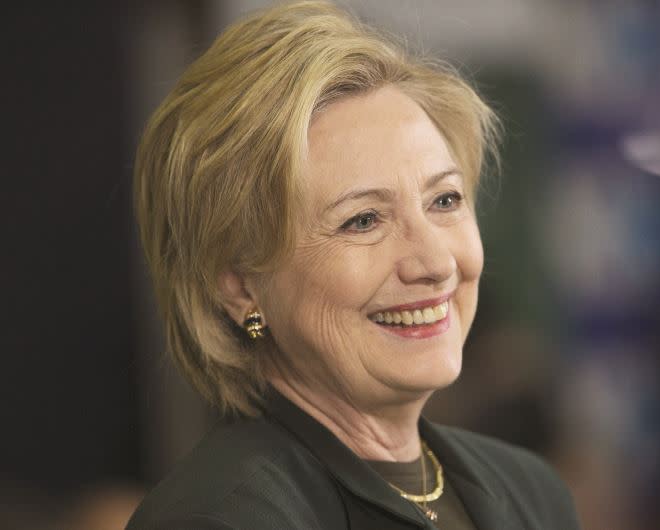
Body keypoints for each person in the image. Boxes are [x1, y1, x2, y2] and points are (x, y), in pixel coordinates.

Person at [126, 1, 581, 529]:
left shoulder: (533, 494)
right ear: (240, 286)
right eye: (363, 221)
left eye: (445, 200)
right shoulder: (220, 518)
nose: (435, 262)